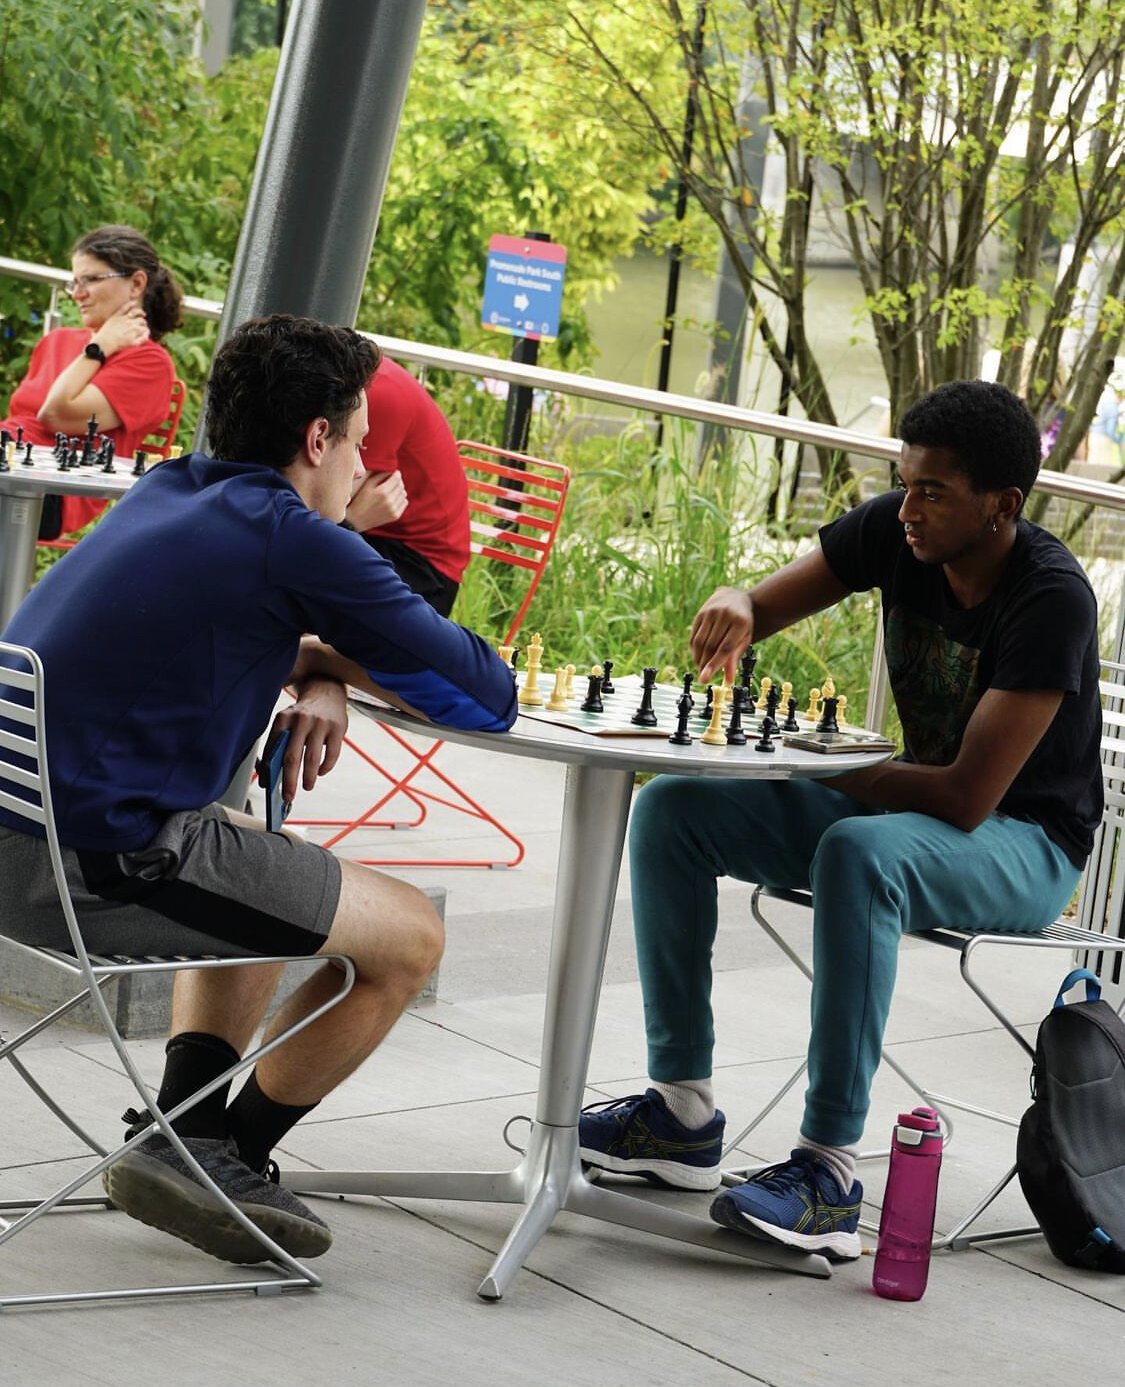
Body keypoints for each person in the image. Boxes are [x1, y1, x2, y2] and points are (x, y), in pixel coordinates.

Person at [0, 314, 516, 1265]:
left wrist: (317, 653)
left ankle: (181, 1131)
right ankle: (220, 1160)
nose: (362, 464)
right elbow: (487, 695)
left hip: (18, 836)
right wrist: (340, 637)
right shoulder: (293, 537)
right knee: (410, 939)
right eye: (357, 441)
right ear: (318, 439)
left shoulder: (168, 488)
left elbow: (258, 612)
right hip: (83, 869)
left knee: (258, 850)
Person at [578, 379, 1102, 1262]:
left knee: (856, 849)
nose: (908, 507)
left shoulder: (1051, 597)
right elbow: (766, 603)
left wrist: (815, 761)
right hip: (917, 813)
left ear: (1001, 506)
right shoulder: (895, 531)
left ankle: (827, 1171)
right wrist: (739, 603)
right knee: (672, 807)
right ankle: (680, 1113)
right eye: (904, 481)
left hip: (1026, 844)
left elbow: (968, 796)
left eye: (933, 491)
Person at [2, 224, 183, 538]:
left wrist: (98, 348)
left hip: (54, 489)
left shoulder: (150, 364)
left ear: (137, 283)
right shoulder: (56, 341)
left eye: (92, 279)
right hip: (9, 463)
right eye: (74, 282)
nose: (77, 293)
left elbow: (55, 415)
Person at [343, 355, 469, 616]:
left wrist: (352, 523)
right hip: (370, 534)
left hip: (420, 564)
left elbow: (322, 520)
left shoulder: (372, 393)